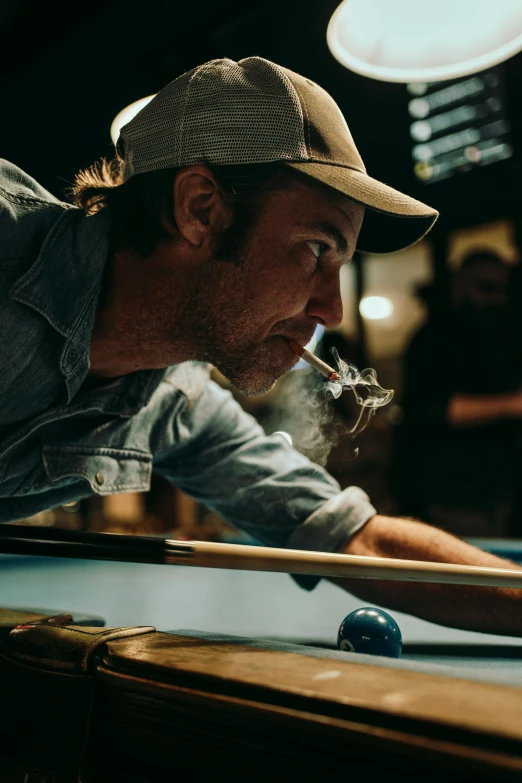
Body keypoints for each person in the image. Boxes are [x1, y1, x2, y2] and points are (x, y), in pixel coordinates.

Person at [1, 56, 521, 636]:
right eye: (318, 250)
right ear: (200, 208)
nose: (333, 310)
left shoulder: (173, 403)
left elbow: (356, 539)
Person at [394, 251, 522, 537]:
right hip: (449, 490)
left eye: (502, 289)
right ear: (460, 285)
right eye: (485, 287)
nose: (496, 298)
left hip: (499, 486)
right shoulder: (433, 338)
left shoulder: (500, 333)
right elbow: (434, 408)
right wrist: (514, 405)